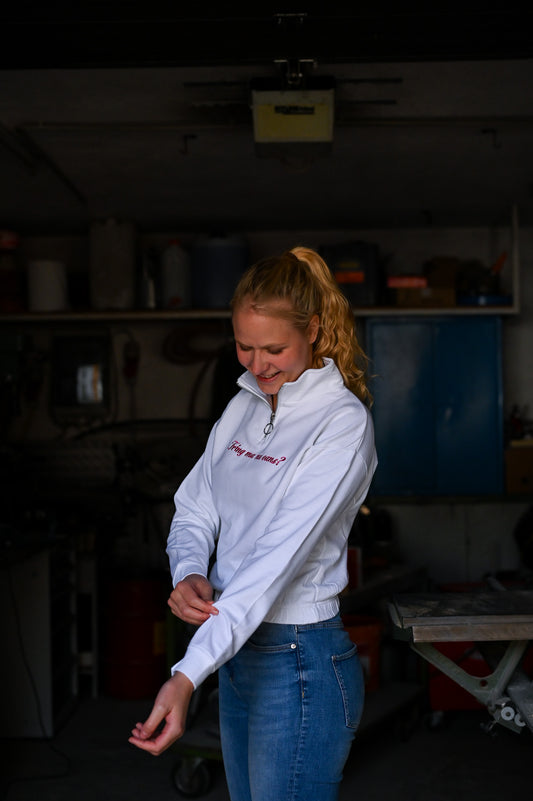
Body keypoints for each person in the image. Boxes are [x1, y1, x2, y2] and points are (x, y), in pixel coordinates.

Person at [129, 246, 378, 801]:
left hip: (298, 661)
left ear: (313, 330)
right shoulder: (243, 405)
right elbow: (195, 506)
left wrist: (187, 674)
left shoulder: (342, 424)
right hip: (237, 652)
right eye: (244, 346)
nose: (257, 364)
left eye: (274, 349)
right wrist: (189, 571)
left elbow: (271, 566)